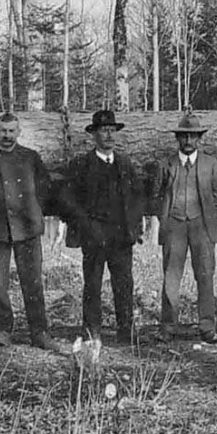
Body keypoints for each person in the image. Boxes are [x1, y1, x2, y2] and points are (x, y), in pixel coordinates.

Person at [0, 113, 58, 350]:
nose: (7, 136)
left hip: (27, 227)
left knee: (32, 281)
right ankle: (3, 329)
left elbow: (44, 188)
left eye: (11, 131)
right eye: (3, 131)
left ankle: (39, 332)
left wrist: (33, 211)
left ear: (19, 132)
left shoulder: (30, 158)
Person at [61, 110, 145, 345]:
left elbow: (138, 196)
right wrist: (85, 223)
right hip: (94, 235)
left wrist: (133, 223)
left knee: (124, 283)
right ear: (94, 135)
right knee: (93, 285)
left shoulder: (124, 164)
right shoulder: (82, 164)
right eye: (104, 131)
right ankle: (91, 331)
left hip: (121, 236)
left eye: (112, 130)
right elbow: (66, 198)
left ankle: (126, 330)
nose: (109, 135)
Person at [151, 112, 217, 344]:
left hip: (202, 227)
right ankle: (168, 326)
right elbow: (156, 195)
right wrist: (167, 215)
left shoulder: (210, 164)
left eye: (193, 136)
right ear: (177, 139)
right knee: (171, 277)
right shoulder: (166, 164)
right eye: (184, 136)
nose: (188, 141)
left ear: (200, 139)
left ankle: (207, 327)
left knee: (205, 275)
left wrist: (204, 214)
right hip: (174, 226)